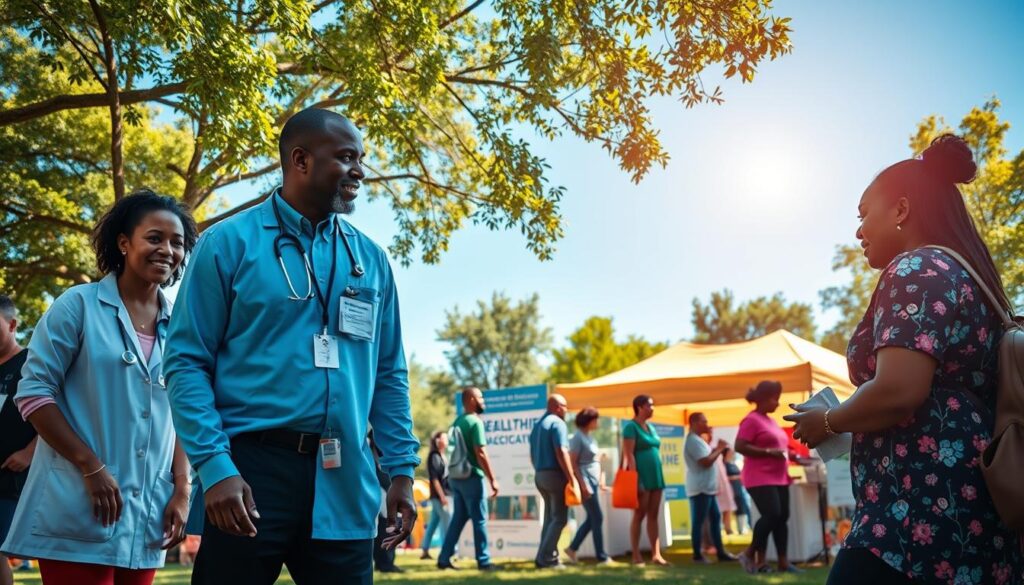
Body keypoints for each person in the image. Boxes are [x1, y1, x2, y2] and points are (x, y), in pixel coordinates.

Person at [164, 108, 421, 585]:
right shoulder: (227, 244)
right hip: (249, 473)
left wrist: (402, 469)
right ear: (300, 160)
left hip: (345, 473)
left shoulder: (370, 260)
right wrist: (215, 468)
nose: (359, 171)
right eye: (346, 158)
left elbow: (389, 374)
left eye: (360, 159)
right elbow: (185, 363)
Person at [786, 134, 1022, 585]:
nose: (858, 231)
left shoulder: (916, 269)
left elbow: (899, 391)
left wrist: (830, 422)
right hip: (971, 513)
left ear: (901, 210)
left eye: (863, 215)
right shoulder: (972, 278)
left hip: (915, 517)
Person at [1, 191, 196, 584]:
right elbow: (34, 393)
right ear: (124, 243)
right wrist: (91, 466)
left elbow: (184, 410)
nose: (167, 250)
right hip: (77, 499)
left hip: (149, 508)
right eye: (154, 238)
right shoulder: (78, 305)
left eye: (177, 242)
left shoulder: (182, 324)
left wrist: (182, 488)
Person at [734, 380, 801, 575]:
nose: (778, 403)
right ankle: (749, 554)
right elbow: (740, 446)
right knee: (772, 514)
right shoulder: (751, 420)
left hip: (779, 476)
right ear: (763, 399)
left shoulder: (770, 421)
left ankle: (782, 561)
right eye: (775, 399)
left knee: (782, 517)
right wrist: (769, 452)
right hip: (759, 477)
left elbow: (780, 448)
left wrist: (792, 455)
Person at [437, 387, 499, 571]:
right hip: (471, 476)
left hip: (456, 477)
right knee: (480, 518)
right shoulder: (475, 422)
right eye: (481, 397)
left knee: (459, 518)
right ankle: (484, 561)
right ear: (471, 399)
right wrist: (492, 479)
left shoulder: (457, 421)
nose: (483, 401)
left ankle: (443, 558)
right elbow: (480, 452)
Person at [0, 296, 36, 585]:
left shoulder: (31, 363)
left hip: (15, 481)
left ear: (12, 325)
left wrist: (29, 452)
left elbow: (59, 412)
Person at [528, 394, 578, 569]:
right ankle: (546, 559)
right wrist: (572, 478)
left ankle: (546, 556)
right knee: (559, 519)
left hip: (540, 476)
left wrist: (540, 471)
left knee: (550, 519)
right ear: (556, 406)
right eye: (564, 406)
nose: (566, 410)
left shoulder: (537, 426)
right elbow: (561, 452)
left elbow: (532, 456)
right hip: (555, 476)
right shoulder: (558, 423)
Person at [683, 413, 737, 564]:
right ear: (694, 423)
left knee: (715, 519)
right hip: (700, 488)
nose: (707, 424)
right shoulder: (692, 441)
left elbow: (707, 458)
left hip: (707, 488)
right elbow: (705, 462)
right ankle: (697, 555)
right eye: (703, 421)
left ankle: (720, 552)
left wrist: (716, 447)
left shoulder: (699, 440)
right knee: (699, 521)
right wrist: (720, 449)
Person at [564, 407, 615, 566]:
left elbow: (594, 461)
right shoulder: (577, 438)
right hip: (585, 483)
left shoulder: (590, 437)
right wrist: (582, 484)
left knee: (593, 518)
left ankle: (572, 548)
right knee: (597, 517)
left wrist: (600, 481)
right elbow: (573, 463)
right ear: (588, 421)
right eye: (595, 419)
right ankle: (601, 556)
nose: (598, 422)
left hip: (592, 482)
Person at [621, 394, 668, 566]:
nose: (652, 408)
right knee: (639, 515)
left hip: (656, 476)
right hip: (642, 477)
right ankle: (636, 555)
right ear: (640, 407)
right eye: (650, 405)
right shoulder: (630, 428)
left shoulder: (651, 427)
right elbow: (629, 455)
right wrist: (635, 480)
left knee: (654, 515)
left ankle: (656, 554)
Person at [420, 431, 451, 560]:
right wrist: (442, 496)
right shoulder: (434, 456)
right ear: (437, 440)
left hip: (441, 495)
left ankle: (425, 550)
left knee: (434, 522)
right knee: (446, 521)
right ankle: (447, 552)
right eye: (444, 437)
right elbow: (435, 479)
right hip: (439, 496)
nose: (447, 440)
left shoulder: (442, 455)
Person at [723, 449, 750, 535]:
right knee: (728, 510)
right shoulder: (724, 464)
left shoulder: (733, 463)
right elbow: (723, 477)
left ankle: (742, 528)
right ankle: (727, 528)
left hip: (738, 489)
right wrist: (735, 477)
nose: (732, 453)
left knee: (742, 507)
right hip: (729, 489)